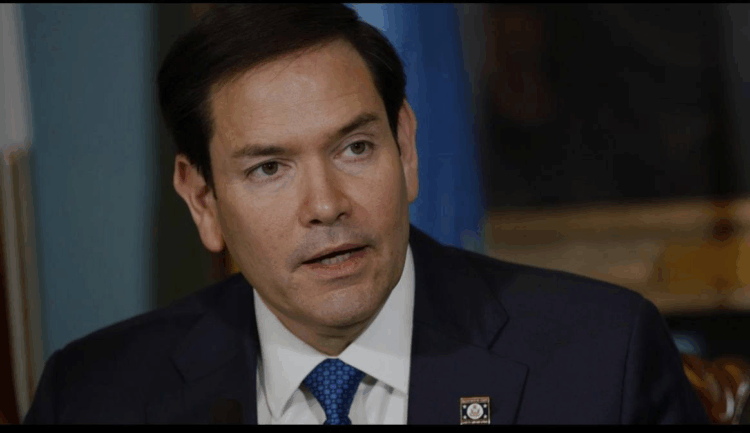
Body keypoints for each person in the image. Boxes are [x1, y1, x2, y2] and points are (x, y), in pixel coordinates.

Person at [24, 4, 710, 424]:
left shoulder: (600, 361)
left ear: (405, 148)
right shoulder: (93, 396)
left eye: (354, 148)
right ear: (203, 200)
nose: (326, 206)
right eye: (268, 168)